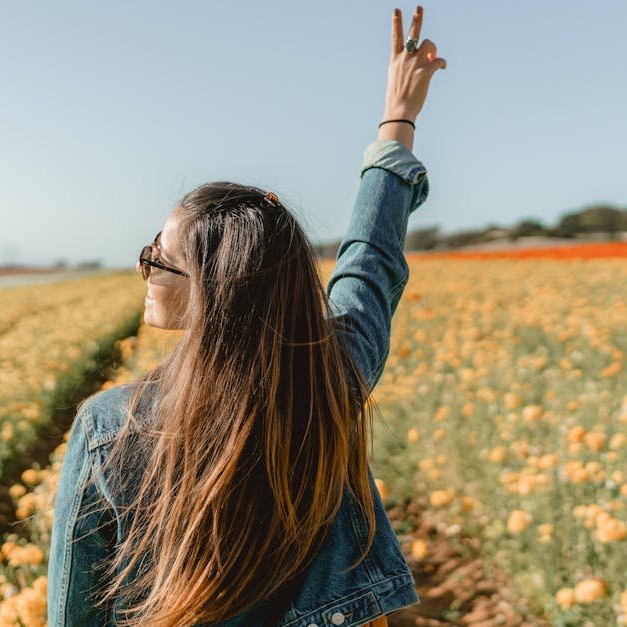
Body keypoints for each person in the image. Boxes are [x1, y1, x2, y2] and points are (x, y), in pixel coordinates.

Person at [47, 5, 447, 626]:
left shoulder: (110, 428)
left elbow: (75, 615)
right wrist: (398, 119)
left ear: (212, 290)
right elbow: (370, 264)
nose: (144, 267)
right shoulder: (328, 385)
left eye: (159, 257)